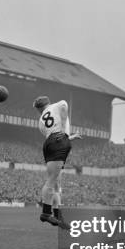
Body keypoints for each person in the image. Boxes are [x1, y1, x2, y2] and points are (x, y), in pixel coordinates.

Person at [33, 96, 81, 227]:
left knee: (55, 185)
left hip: (50, 144)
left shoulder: (40, 122)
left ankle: (58, 217)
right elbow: (64, 105)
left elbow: (53, 137)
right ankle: (46, 213)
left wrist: (69, 137)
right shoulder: (57, 105)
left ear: (38, 109)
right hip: (58, 143)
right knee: (52, 181)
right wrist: (64, 130)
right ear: (48, 103)